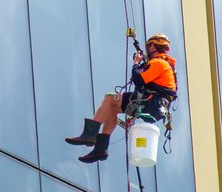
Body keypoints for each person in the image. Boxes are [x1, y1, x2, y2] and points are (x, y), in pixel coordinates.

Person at [65, 34, 178, 164]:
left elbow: (138, 80)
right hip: (155, 105)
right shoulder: (163, 64)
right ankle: (101, 148)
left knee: (109, 99)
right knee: (112, 109)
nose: (148, 49)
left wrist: (136, 63)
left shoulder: (159, 63)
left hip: (151, 102)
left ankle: (89, 134)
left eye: (149, 46)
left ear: (153, 46)